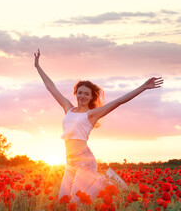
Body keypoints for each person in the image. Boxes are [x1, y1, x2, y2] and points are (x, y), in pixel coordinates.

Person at [34, 49, 163, 203]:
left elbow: (118, 101)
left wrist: (142, 87)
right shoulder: (68, 108)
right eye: (80, 92)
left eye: (86, 94)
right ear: (76, 93)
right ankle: (103, 180)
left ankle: (103, 180)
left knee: (76, 202)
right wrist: (37, 66)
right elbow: (51, 88)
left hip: (85, 162)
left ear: (91, 97)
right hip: (69, 163)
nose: (82, 96)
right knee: (63, 201)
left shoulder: (92, 114)